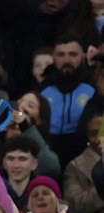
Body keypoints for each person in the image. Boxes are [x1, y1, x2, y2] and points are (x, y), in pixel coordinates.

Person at [40, 35, 95, 169]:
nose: (67, 60)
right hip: (49, 150)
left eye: (72, 54)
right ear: (53, 57)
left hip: (84, 152)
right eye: (61, 54)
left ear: (82, 55)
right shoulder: (43, 88)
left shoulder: (93, 87)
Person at [63, 109, 104, 213]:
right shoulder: (75, 166)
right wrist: (101, 186)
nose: (98, 138)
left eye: (102, 132)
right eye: (93, 133)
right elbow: (73, 205)